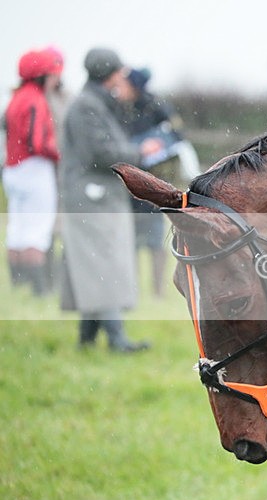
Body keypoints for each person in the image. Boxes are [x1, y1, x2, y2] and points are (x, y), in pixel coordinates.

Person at [59, 47, 160, 353]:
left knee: (95, 266)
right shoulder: (87, 106)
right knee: (104, 266)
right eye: (119, 71)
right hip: (93, 199)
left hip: (97, 197)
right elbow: (101, 153)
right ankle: (116, 340)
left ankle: (87, 340)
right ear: (110, 73)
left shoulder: (95, 103)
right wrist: (141, 153)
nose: (122, 77)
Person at [118, 67, 185, 298]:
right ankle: (132, 288)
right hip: (128, 183)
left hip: (154, 182)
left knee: (155, 240)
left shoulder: (156, 105)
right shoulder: (120, 108)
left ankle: (158, 291)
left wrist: (157, 142)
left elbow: (178, 133)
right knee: (132, 241)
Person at [2, 47, 64, 295]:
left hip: (13, 170)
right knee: (37, 231)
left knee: (17, 229)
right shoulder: (36, 99)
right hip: (35, 169)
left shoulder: (15, 97)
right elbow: (37, 142)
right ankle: (39, 291)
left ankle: (18, 286)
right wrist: (60, 154)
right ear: (43, 75)